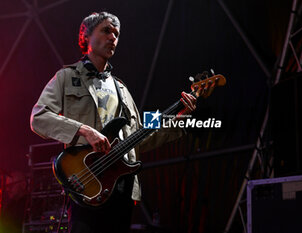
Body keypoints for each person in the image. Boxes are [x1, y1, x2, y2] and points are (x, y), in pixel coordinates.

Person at [30, 12, 200, 233]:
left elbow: (141, 134)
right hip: (87, 182)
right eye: (106, 30)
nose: (113, 37)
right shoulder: (65, 77)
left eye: (116, 34)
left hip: (122, 187)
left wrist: (179, 117)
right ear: (86, 35)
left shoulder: (122, 88)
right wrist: (84, 130)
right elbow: (39, 117)